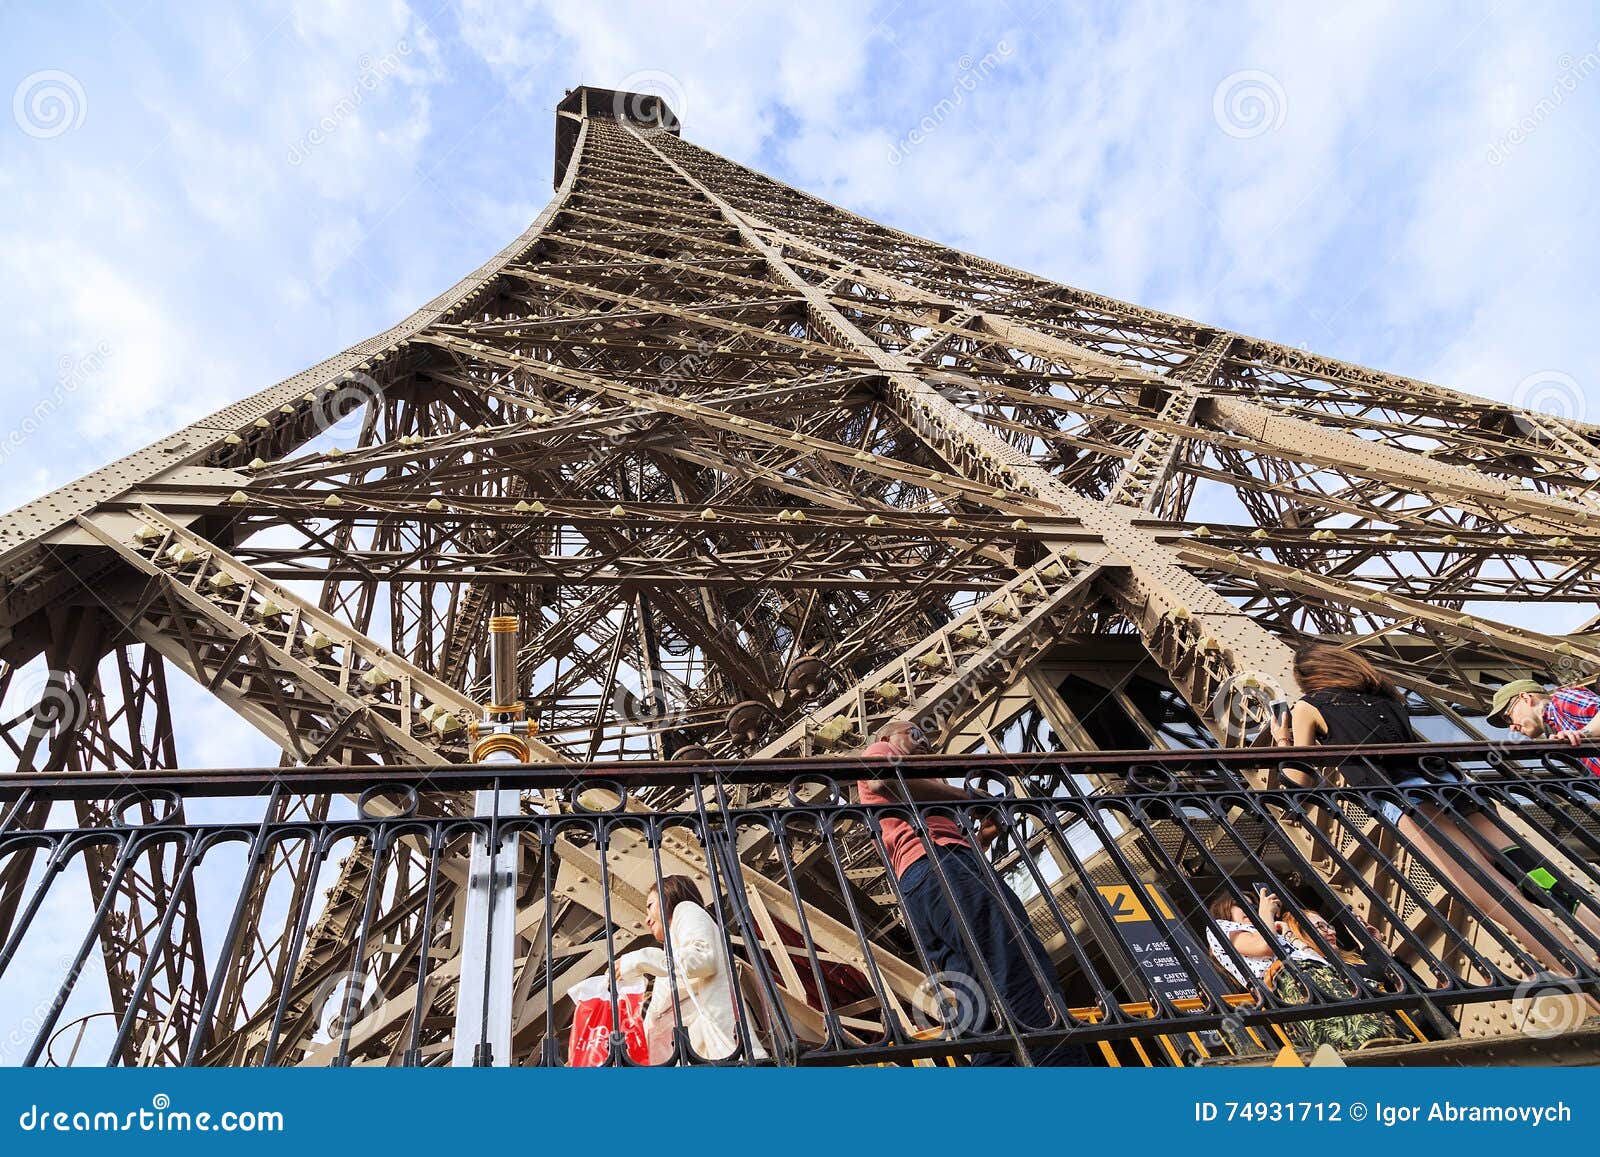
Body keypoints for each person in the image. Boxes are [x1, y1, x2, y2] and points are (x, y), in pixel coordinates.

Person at [1274, 644, 1600, 980]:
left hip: (1406, 801)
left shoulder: (1309, 706)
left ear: (1310, 679)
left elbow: (1297, 779)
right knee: (1535, 873)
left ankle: (1583, 975)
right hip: (1452, 788)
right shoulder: (1390, 698)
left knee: (1494, 894)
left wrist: (1282, 740)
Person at [857, 720, 1090, 1066]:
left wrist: (980, 839)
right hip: (942, 867)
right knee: (1016, 960)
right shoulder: (880, 750)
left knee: (974, 999)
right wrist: (967, 799)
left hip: (920, 886)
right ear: (888, 737)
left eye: (928, 736)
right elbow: (885, 778)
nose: (925, 742)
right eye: (916, 734)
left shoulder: (914, 795)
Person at [1204, 887, 1405, 1051]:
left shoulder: (1267, 928)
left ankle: (1380, 1039)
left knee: (1349, 1011)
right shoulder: (1221, 929)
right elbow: (1263, 947)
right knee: (1331, 1023)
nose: (1250, 909)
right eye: (1241, 905)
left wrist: (1286, 933)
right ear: (1224, 910)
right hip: (1290, 977)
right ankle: (1356, 1045)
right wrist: (1266, 913)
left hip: (1318, 972)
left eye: (1252, 905)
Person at [617, 875, 767, 1064]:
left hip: (716, 1053)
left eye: (650, 906)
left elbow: (702, 959)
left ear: (668, 898)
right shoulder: (673, 948)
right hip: (698, 1055)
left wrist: (639, 959)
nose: (646, 919)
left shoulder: (686, 909)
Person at [1488, 678, 1600, 775]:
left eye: (1508, 718)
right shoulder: (1557, 731)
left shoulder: (1560, 701)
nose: (1512, 728)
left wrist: (1584, 734)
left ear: (1526, 698)